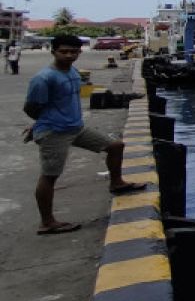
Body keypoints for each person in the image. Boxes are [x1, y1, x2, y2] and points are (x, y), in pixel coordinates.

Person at [23, 34, 146, 235]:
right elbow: (31, 107)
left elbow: (60, 103)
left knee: (116, 146)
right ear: (53, 51)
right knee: (50, 176)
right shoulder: (44, 78)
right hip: (54, 132)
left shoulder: (72, 72)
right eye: (64, 51)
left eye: (74, 51)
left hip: (76, 128)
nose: (69, 55)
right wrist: (39, 125)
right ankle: (47, 222)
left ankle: (116, 183)